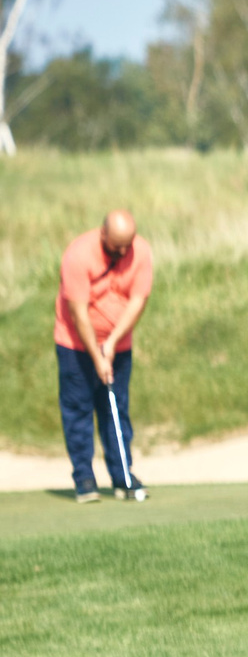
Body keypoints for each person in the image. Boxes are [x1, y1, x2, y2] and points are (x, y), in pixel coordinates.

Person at [55, 210, 154, 503]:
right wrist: (97, 357)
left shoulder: (141, 252)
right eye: (116, 246)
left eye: (127, 245)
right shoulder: (78, 255)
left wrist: (111, 343)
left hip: (118, 345)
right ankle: (84, 478)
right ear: (103, 234)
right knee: (78, 409)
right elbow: (78, 312)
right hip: (74, 344)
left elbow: (138, 301)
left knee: (116, 408)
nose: (123, 252)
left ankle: (123, 477)